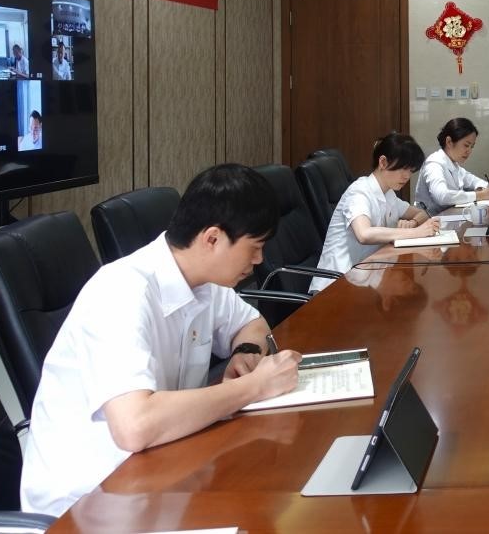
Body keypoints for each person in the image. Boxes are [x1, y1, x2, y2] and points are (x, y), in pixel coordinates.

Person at [20, 163, 303, 517]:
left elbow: (253, 323)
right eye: (255, 247)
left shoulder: (204, 281)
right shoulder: (120, 293)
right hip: (86, 504)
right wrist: (253, 387)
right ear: (212, 239)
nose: (259, 260)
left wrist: (244, 352)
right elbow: (135, 426)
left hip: (161, 470)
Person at [312, 132, 438, 291]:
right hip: (335, 285)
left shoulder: (388, 194)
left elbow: (423, 213)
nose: (407, 176)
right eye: (403, 168)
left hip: (363, 279)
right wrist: (416, 232)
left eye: (411, 170)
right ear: (383, 162)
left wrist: (413, 223)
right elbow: (364, 234)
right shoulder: (359, 192)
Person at [414, 118, 489, 213]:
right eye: (466, 145)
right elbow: (442, 196)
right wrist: (479, 195)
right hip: (428, 220)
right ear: (449, 142)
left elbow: (475, 181)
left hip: (448, 217)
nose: (469, 151)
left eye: (472, 147)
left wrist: (484, 190)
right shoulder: (434, 164)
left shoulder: (454, 165)